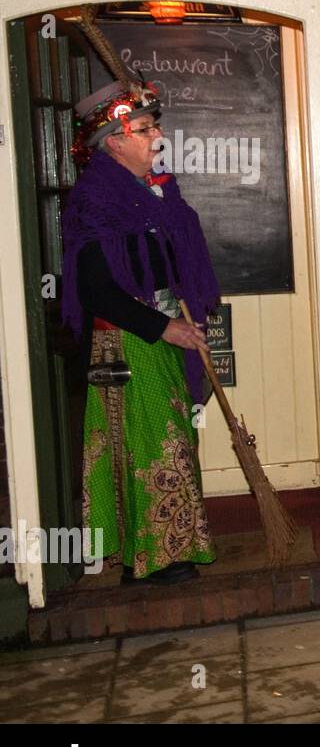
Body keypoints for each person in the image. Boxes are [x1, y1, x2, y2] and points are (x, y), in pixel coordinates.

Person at [62, 79, 221, 585]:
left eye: (157, 126)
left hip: (161, 332)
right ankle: (154, 557)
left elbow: (169, 259)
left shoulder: (150, 190)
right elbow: (96, 292)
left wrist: (181, 308)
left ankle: (160, 551)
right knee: (151, 444)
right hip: (128, 340)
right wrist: (162, 326)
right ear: (114, 139)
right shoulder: (95, 201)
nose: (158, 137)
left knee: (166, 437)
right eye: (146, 128)